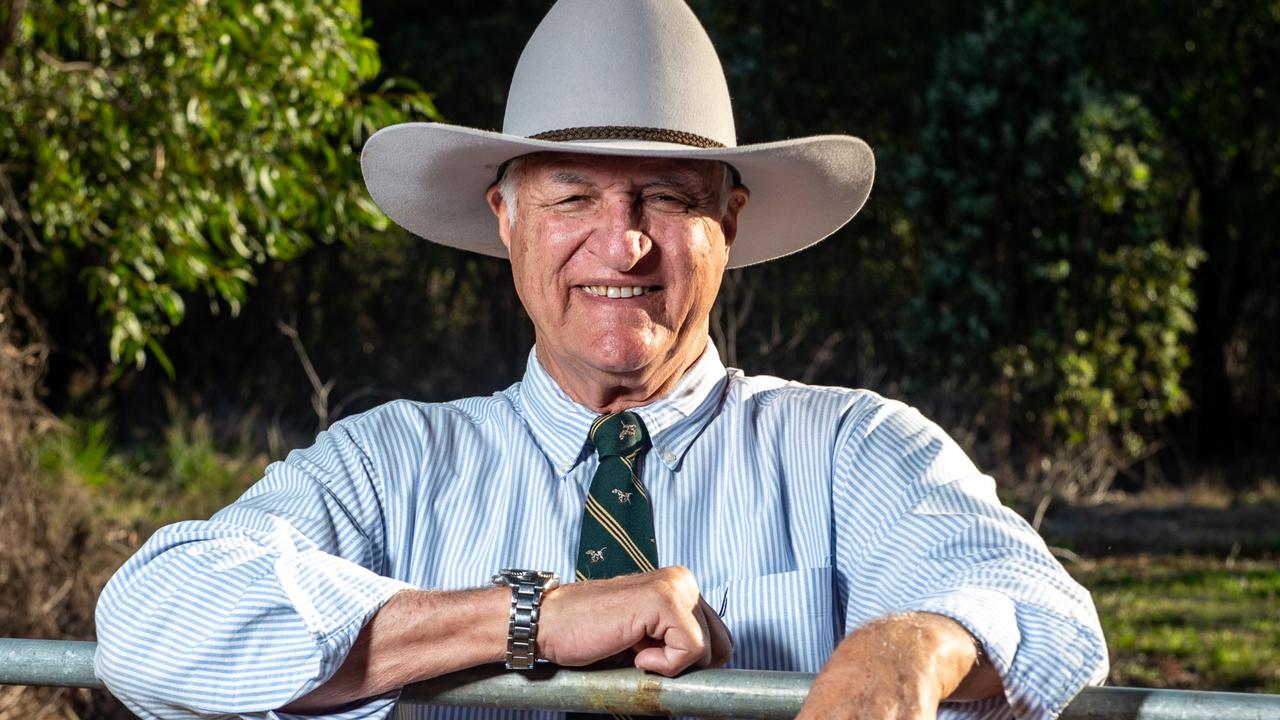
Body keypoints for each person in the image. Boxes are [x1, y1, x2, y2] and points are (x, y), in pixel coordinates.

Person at [95, 1, 1108, 719]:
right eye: (572, 197)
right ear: (505, 218)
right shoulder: (389, 462)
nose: (620, 245)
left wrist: (907, 646)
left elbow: (1041, 616)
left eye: (664, 199)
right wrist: (532, 619)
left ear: (728, 221)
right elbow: (150, 619)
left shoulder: (850, 447)